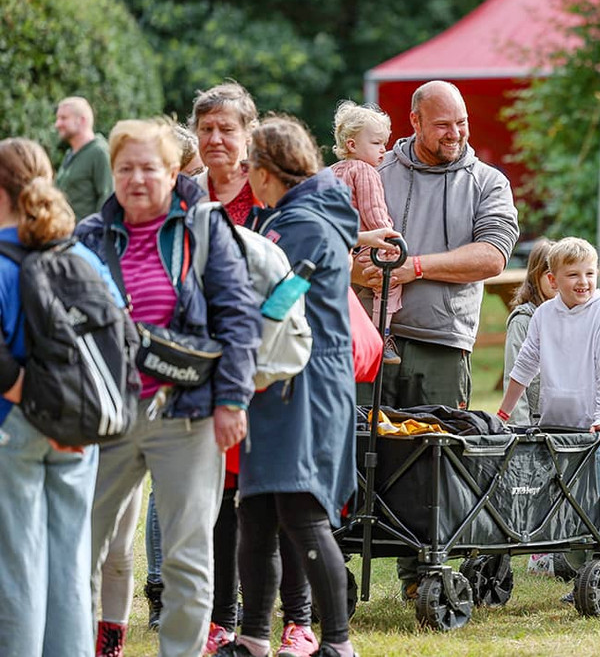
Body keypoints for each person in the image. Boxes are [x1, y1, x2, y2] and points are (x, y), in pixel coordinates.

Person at [76, 118, 259, 657]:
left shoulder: (203, 227)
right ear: (112, 172)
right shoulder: (90, 234)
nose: (136, 178)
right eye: (124, 168)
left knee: (186, 554)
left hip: (187, 415)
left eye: (148, 168)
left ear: (173, 171)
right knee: (82, 546)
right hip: (107, 416)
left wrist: (231, 399)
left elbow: (238, 318)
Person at [219, 114, 359, 657]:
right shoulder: (287, 215)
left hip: (303, 383)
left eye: (251, 165)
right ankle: (253, 639)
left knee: (302, 511)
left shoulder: (305, 223)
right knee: (255, 511)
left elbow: (278, 302)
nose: (248, 176)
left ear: (268, 169)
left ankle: (338, 645)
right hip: (275, 378)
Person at [0, 138, 117, 657]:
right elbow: (122, 333)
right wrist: (66, 415)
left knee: (16, 564)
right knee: (70, 560)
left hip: (14, 425)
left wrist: (37, 406)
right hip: (78, 429)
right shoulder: (83, 255)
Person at [361, 80, 519, 413]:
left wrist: (413, 268)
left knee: (434, 460)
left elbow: (493, 256)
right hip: (369, 340)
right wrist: (358, 272)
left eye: (461, 122)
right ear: (415, 121)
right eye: (442, 125)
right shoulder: (374, 171)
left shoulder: (489, 182)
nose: (455, 133)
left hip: (443, 346)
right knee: (360, 455)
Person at [496, 237, 600, 602]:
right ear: (552, 279)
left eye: (589, 273)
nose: (583, 282)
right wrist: (504, 411)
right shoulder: (544, 314)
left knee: (592, 503)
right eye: (573, 275)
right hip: (554, 421)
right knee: (557, 501)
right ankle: (564, 564)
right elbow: (525, 363)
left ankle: (599, 570)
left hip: (592, 426)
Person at [331, 100, 403, 367]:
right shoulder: (365, 171)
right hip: (366, 249)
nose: (383, 150)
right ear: (352, 145)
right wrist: (392, 239)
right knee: (391, 280)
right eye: (376, 143)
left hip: (341, 251)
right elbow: (374, 215)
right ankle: (381, 336)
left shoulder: (331, 172)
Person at [499, 239, 554, 426]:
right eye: (549, 274)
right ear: (535, 275)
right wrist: (521, 433)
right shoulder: (523, 321)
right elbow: (514, 379)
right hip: (533, 426)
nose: (555, 280)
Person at [190, 82, 261, 225]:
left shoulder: (268, 190)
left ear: (249, 133)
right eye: (207, 129)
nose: (215, 140)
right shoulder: (185, 194)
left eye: (226, 129)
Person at [54, 96, 113, 220]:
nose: (57, 124)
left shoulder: (99, 152)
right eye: (58, 118)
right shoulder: (70, 154)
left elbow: (108, 197)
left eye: (63, 118)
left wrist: (96, 233)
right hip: (64, 235)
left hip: (86, 236)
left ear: (82, 120)